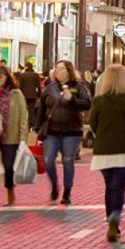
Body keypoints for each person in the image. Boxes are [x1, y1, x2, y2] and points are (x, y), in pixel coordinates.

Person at [88, 65, 125, 242]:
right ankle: (115, 218)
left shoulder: (99, 101)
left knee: (109, 186)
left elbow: (92, 124)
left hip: (104, 150)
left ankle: (110, 220)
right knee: (119, 185)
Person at [36, 60, 92, 205]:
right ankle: (54, 184)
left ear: (69, 71)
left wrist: (72, 99)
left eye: (62, 69)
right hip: (52, 131)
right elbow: (42, 107)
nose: (58, 71)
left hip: (71, 131)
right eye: (57, 68)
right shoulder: (50, 87)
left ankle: (67, 191)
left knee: (67, 160)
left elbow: (87, 103)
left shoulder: (79, 86)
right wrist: (38, 126)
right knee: (48, 159)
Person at [0, 65, 28, 208]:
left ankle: (10, 190)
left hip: (10, 135)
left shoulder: (16, 93)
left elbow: (23, 115)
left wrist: (23, 137)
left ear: (7, 77)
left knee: (9, 166)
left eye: (1, 77)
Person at [18, 63, 41, 129]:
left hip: (24, 95)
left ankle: (26, 123)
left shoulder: (22, 75)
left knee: (24, 110)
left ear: (26, 67)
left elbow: (20, 86)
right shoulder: (36, 75)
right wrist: (39, 95)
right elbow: (38, 86)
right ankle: (32, 124)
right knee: (32, 110)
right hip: (33, 95)